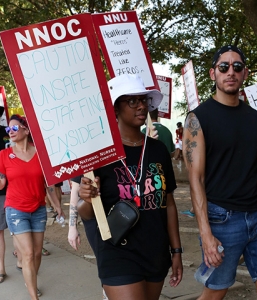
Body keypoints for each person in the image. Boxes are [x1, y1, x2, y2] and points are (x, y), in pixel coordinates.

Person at [182, 45, 257, 300]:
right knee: (215, 292)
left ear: (245, 73)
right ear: (213, 74)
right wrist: (206, 233)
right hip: (222, 219)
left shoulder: (256, 118)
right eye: (224, 67)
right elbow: (195, 180)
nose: (230, 71)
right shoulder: (197, 118)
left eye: (237, 67)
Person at [76, 74, 183, 300]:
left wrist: (176, 251)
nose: (141, 106)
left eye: (143, 100)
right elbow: (86, 214)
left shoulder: (158, 150)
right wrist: (86, 199)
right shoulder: (100, 155)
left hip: (155, 250)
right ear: (115, 108)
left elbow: (169, 204)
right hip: (118, 251)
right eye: (132, 101)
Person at [0, 114, 64, 300]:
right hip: (16, 209)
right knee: (26, 253)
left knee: (35, 253)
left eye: (15, 128)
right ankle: (34, 296)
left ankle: (30, 278)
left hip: (38, 208)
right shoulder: (3, 155)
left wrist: (57, 206)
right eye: (8, 129)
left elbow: (48, 184)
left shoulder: (41, 155)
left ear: (26, 130)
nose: (10, 131)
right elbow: (0, 185)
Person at [0, 105, 9, 284]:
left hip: (12, 186)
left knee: (16, 229)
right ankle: (0, 267)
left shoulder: (9, 132)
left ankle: (22, 259)